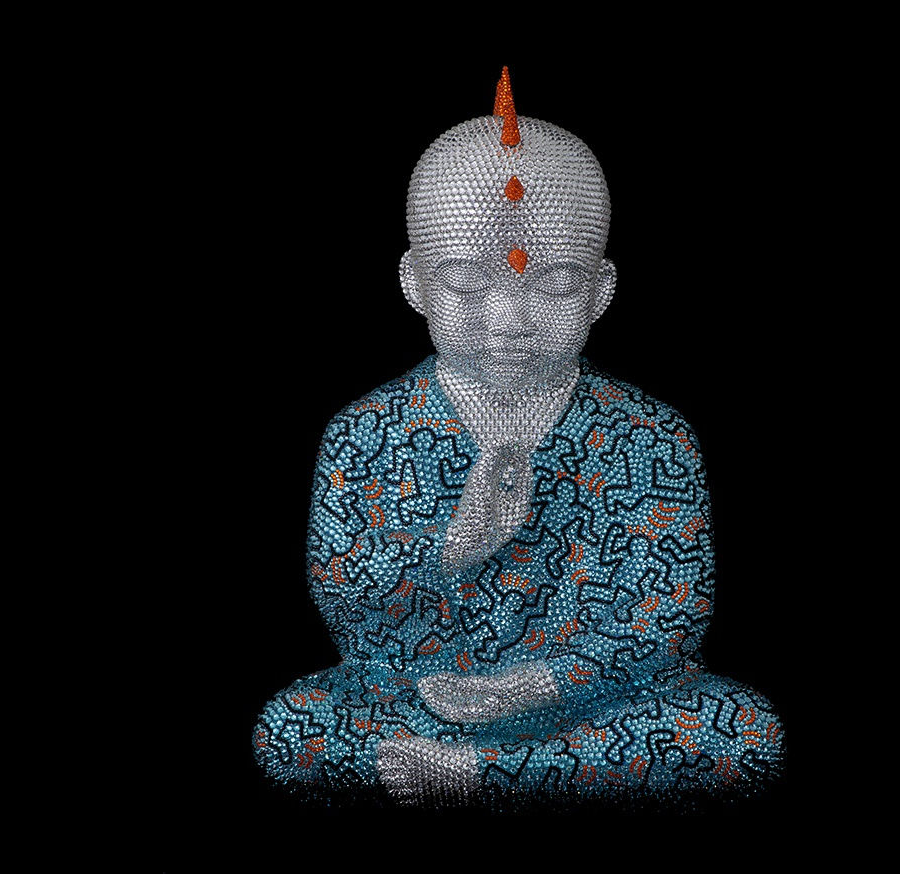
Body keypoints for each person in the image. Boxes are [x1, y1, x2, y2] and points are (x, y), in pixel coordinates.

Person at [253, 68, 784, 808]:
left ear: (600, 291)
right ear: (414, 284)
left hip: (585, 708)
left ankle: (489, 777)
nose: (509, 320)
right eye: (466, 282)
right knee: (291, 727)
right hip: (415, 698)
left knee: (740, 730)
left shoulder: (649, 436)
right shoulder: (366, 433)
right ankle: (514, 775)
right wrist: (449, 552)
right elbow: (347, 604)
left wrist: (535, 686)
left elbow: (668, 617)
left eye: (555, 283)